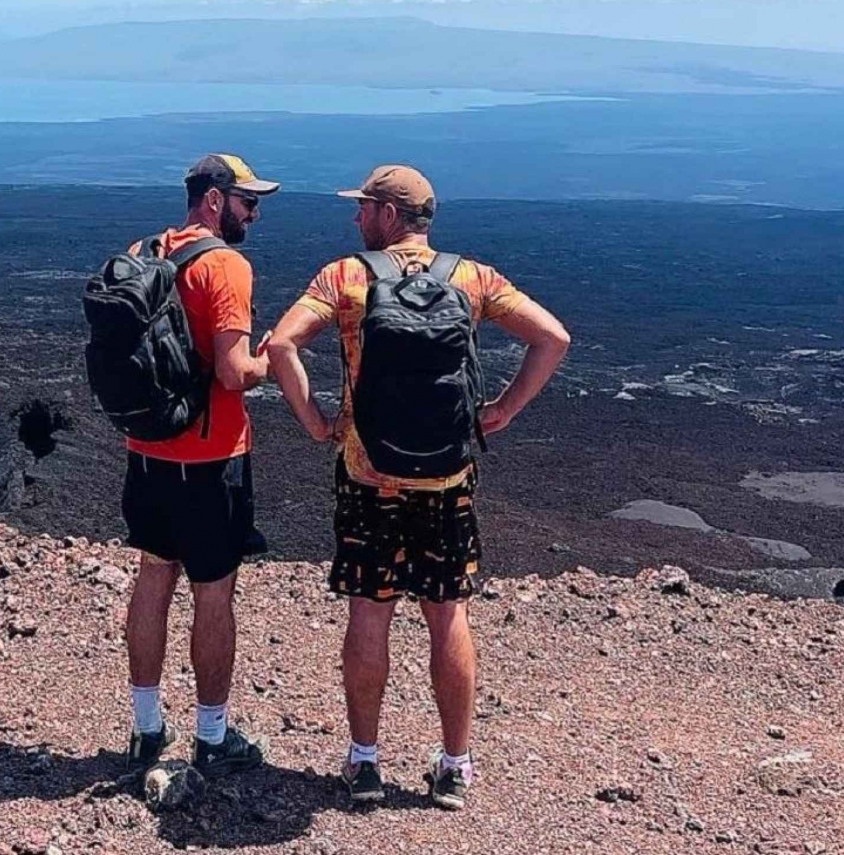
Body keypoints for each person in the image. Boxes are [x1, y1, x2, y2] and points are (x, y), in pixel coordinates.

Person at [264, 164, 570, 808]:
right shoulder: (473, 277)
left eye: (364, 208)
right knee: (447, 613)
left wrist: (318, 421)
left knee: (370, 613)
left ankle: (366, 762)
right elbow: (553, 337)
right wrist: (504, 410)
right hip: (447, 476)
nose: (355, 219)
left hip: (367, 472)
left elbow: (285, 343)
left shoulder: (343, 277)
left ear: (387, 214)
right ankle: (454, 766)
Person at [120, 153, 279, 778]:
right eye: (248, 201)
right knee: (214, 593)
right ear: (214, 201)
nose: (254, 213)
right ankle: (211, 736)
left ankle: (145, 728)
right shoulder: (225, 265)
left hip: (147, 454)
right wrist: (270, 360)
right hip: (212, 461)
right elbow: (236, 373)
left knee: (153, 579)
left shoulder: (144, 249)